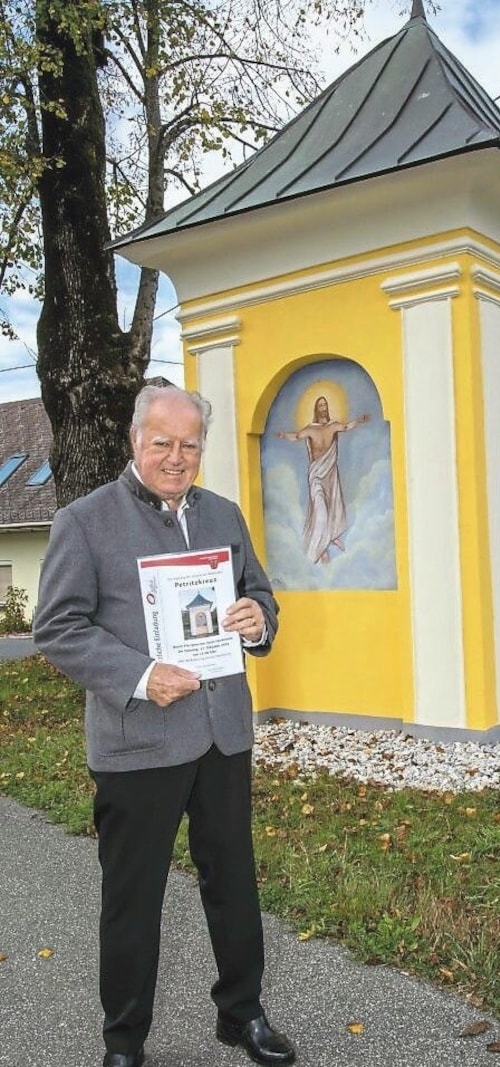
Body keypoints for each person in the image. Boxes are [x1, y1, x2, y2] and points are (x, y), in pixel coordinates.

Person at [34, 385, 295, 1067]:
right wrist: (145, 677)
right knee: (133, 899)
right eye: (163, 443)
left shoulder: (224, 515)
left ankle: (242, 1013)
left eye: (190, 445)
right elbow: (56, 626)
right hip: (138, 742)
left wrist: (257, 618)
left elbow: (259, 594)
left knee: (234, 881)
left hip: (221, 734)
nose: (177, 458)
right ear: (133, 439)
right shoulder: (84, 521)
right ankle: (124, 1042)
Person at [276, 395, 369, 564]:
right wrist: (283, 435)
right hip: (317, 476)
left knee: (332, 508)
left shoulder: (333, 426)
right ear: (316, 409)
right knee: (320, 512)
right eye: (320, 405)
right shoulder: (311, 429)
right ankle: (318, 549)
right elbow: (297, 436)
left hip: (330, 475)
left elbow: (347, 427)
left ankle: (328, 540)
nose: (323, 407)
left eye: (325, 404)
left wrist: (359, 421)